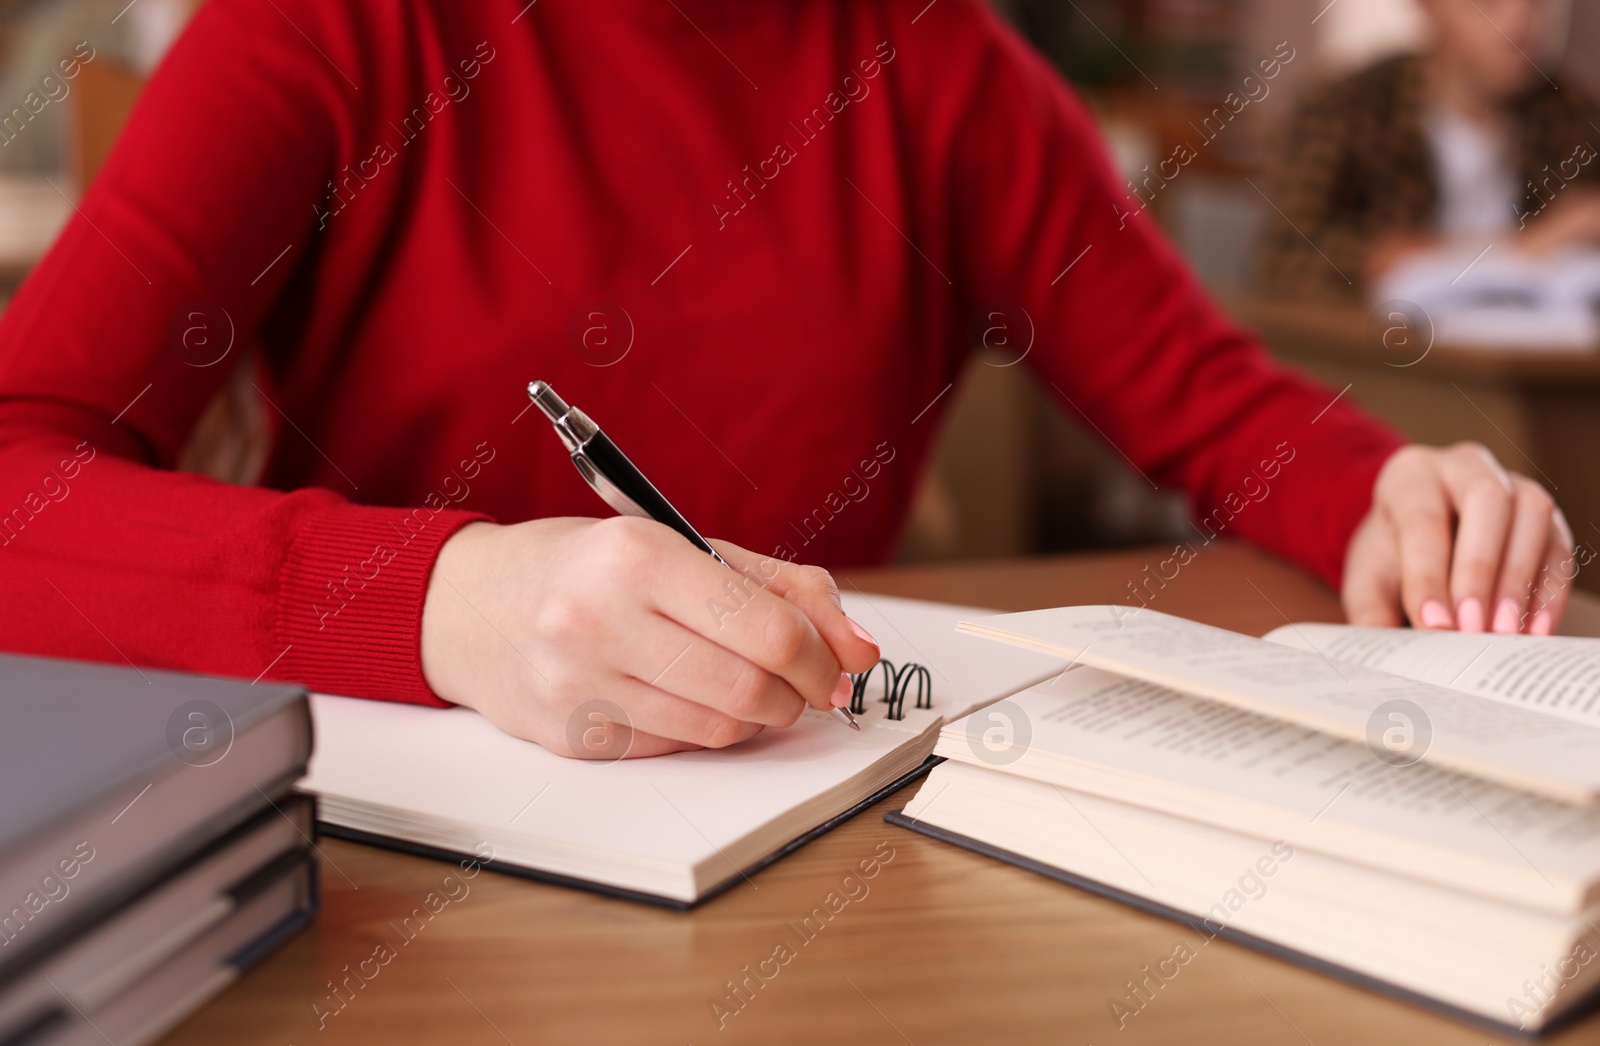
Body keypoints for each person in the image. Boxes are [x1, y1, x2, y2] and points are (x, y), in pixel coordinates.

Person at [0, 0, 1573, 760]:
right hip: (378, 844)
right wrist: (440, 599)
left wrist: (1387, 493)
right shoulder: (329, 27)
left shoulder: (939, 66)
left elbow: (1215, 404)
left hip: (808, 820)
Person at [1261, 0, 1600, 294]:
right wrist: (1520, 250)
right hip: (1385, 359)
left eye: (1536, 3)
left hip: (1536, 361)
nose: (1521, 21)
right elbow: (1289, 259)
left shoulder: (1574, 112)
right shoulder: (1344, 108)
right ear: (1428, 7)